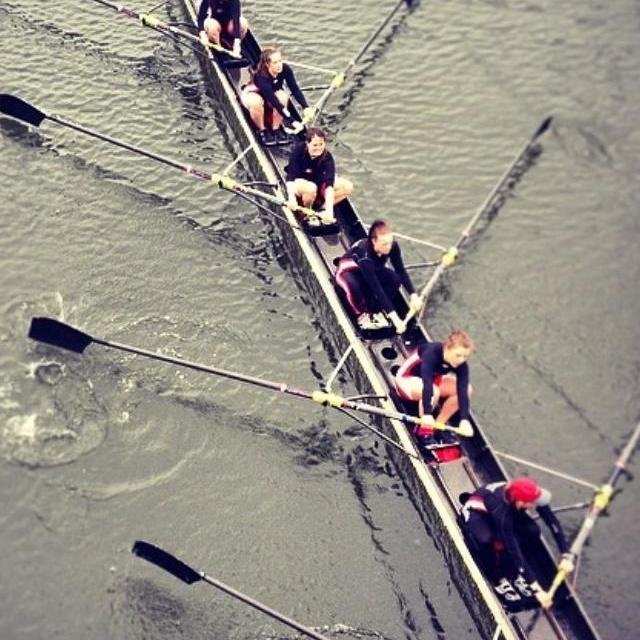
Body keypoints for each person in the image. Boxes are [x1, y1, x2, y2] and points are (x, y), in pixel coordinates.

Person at [461, 477, 575, 609]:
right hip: (478, 514)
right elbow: (513, 549)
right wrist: (536, 588)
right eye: (533, 502)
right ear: (521, 502)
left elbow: (552, 523)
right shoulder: (502, 512)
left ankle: (513, 574)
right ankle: (497, 578)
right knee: (486, 540)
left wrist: (566, 555)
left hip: (508, 510)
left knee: (533, 531)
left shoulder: (526, 496)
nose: (536, 504)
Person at [336, 219, 421, 332]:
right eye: (384, 244)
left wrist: (413, 295)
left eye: (390, 242)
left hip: (371, 270)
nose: (389, 247)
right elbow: (377, 289)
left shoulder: (392, 246)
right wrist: (396, 319)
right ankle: (362, 316)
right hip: (348, 273)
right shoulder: (365, 256)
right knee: (354, 287)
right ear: (374, 241)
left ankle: (376, 310)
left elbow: (400, 271)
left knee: (395, 279)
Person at [394, 330, 473, 437]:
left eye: (465, 356)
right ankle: (424, 431)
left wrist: (464, 420)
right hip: (406, 380)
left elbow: (462, 390)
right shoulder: (431, 353)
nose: (461, 360)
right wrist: (427, 414)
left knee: (467, 389)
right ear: (447, 348)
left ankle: (438, 425)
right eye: (458, 355)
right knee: (433, 391)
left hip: (432, 382)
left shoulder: (461, 365)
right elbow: (427, 384)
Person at [241, 47, 316, 146]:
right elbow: (275, 102)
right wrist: (292, 121)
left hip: (271, 99)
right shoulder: (261, 77)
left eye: (280, 61)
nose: (279, 65)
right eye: (275, 62)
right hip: (253, 95)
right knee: (256, 102)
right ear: (267, 64)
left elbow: (295, 89)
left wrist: (305, 107)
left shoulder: (285, 69)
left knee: (283, 96)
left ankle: (275, 129)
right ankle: (262, 131)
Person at [286, 127, 353, 223]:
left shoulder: (327, 158)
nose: (318, 148)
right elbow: (290, 178)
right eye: (315, 145)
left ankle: (321, 209)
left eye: (321, 144)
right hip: (300, 184)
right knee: (311, 188)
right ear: (307, 143)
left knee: (348, 186)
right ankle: (305, 212)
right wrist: (291, 198)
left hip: (317, 184)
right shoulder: (298, 150)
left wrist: (329, 211)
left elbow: (329, 186)